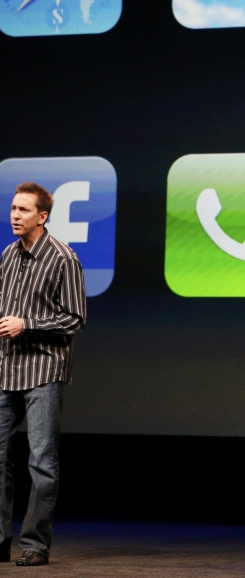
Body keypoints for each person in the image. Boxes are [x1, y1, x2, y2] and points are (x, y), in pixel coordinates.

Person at [0, 182, 86, 566]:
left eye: (23, 210)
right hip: (6, 369)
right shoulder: (8, 255)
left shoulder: (63, 258)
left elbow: (75, 318)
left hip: (43, 370)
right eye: (13, 208)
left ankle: (35, 545)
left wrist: (27, 324)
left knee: (42, 462)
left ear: (42, 216)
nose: (15, 215)